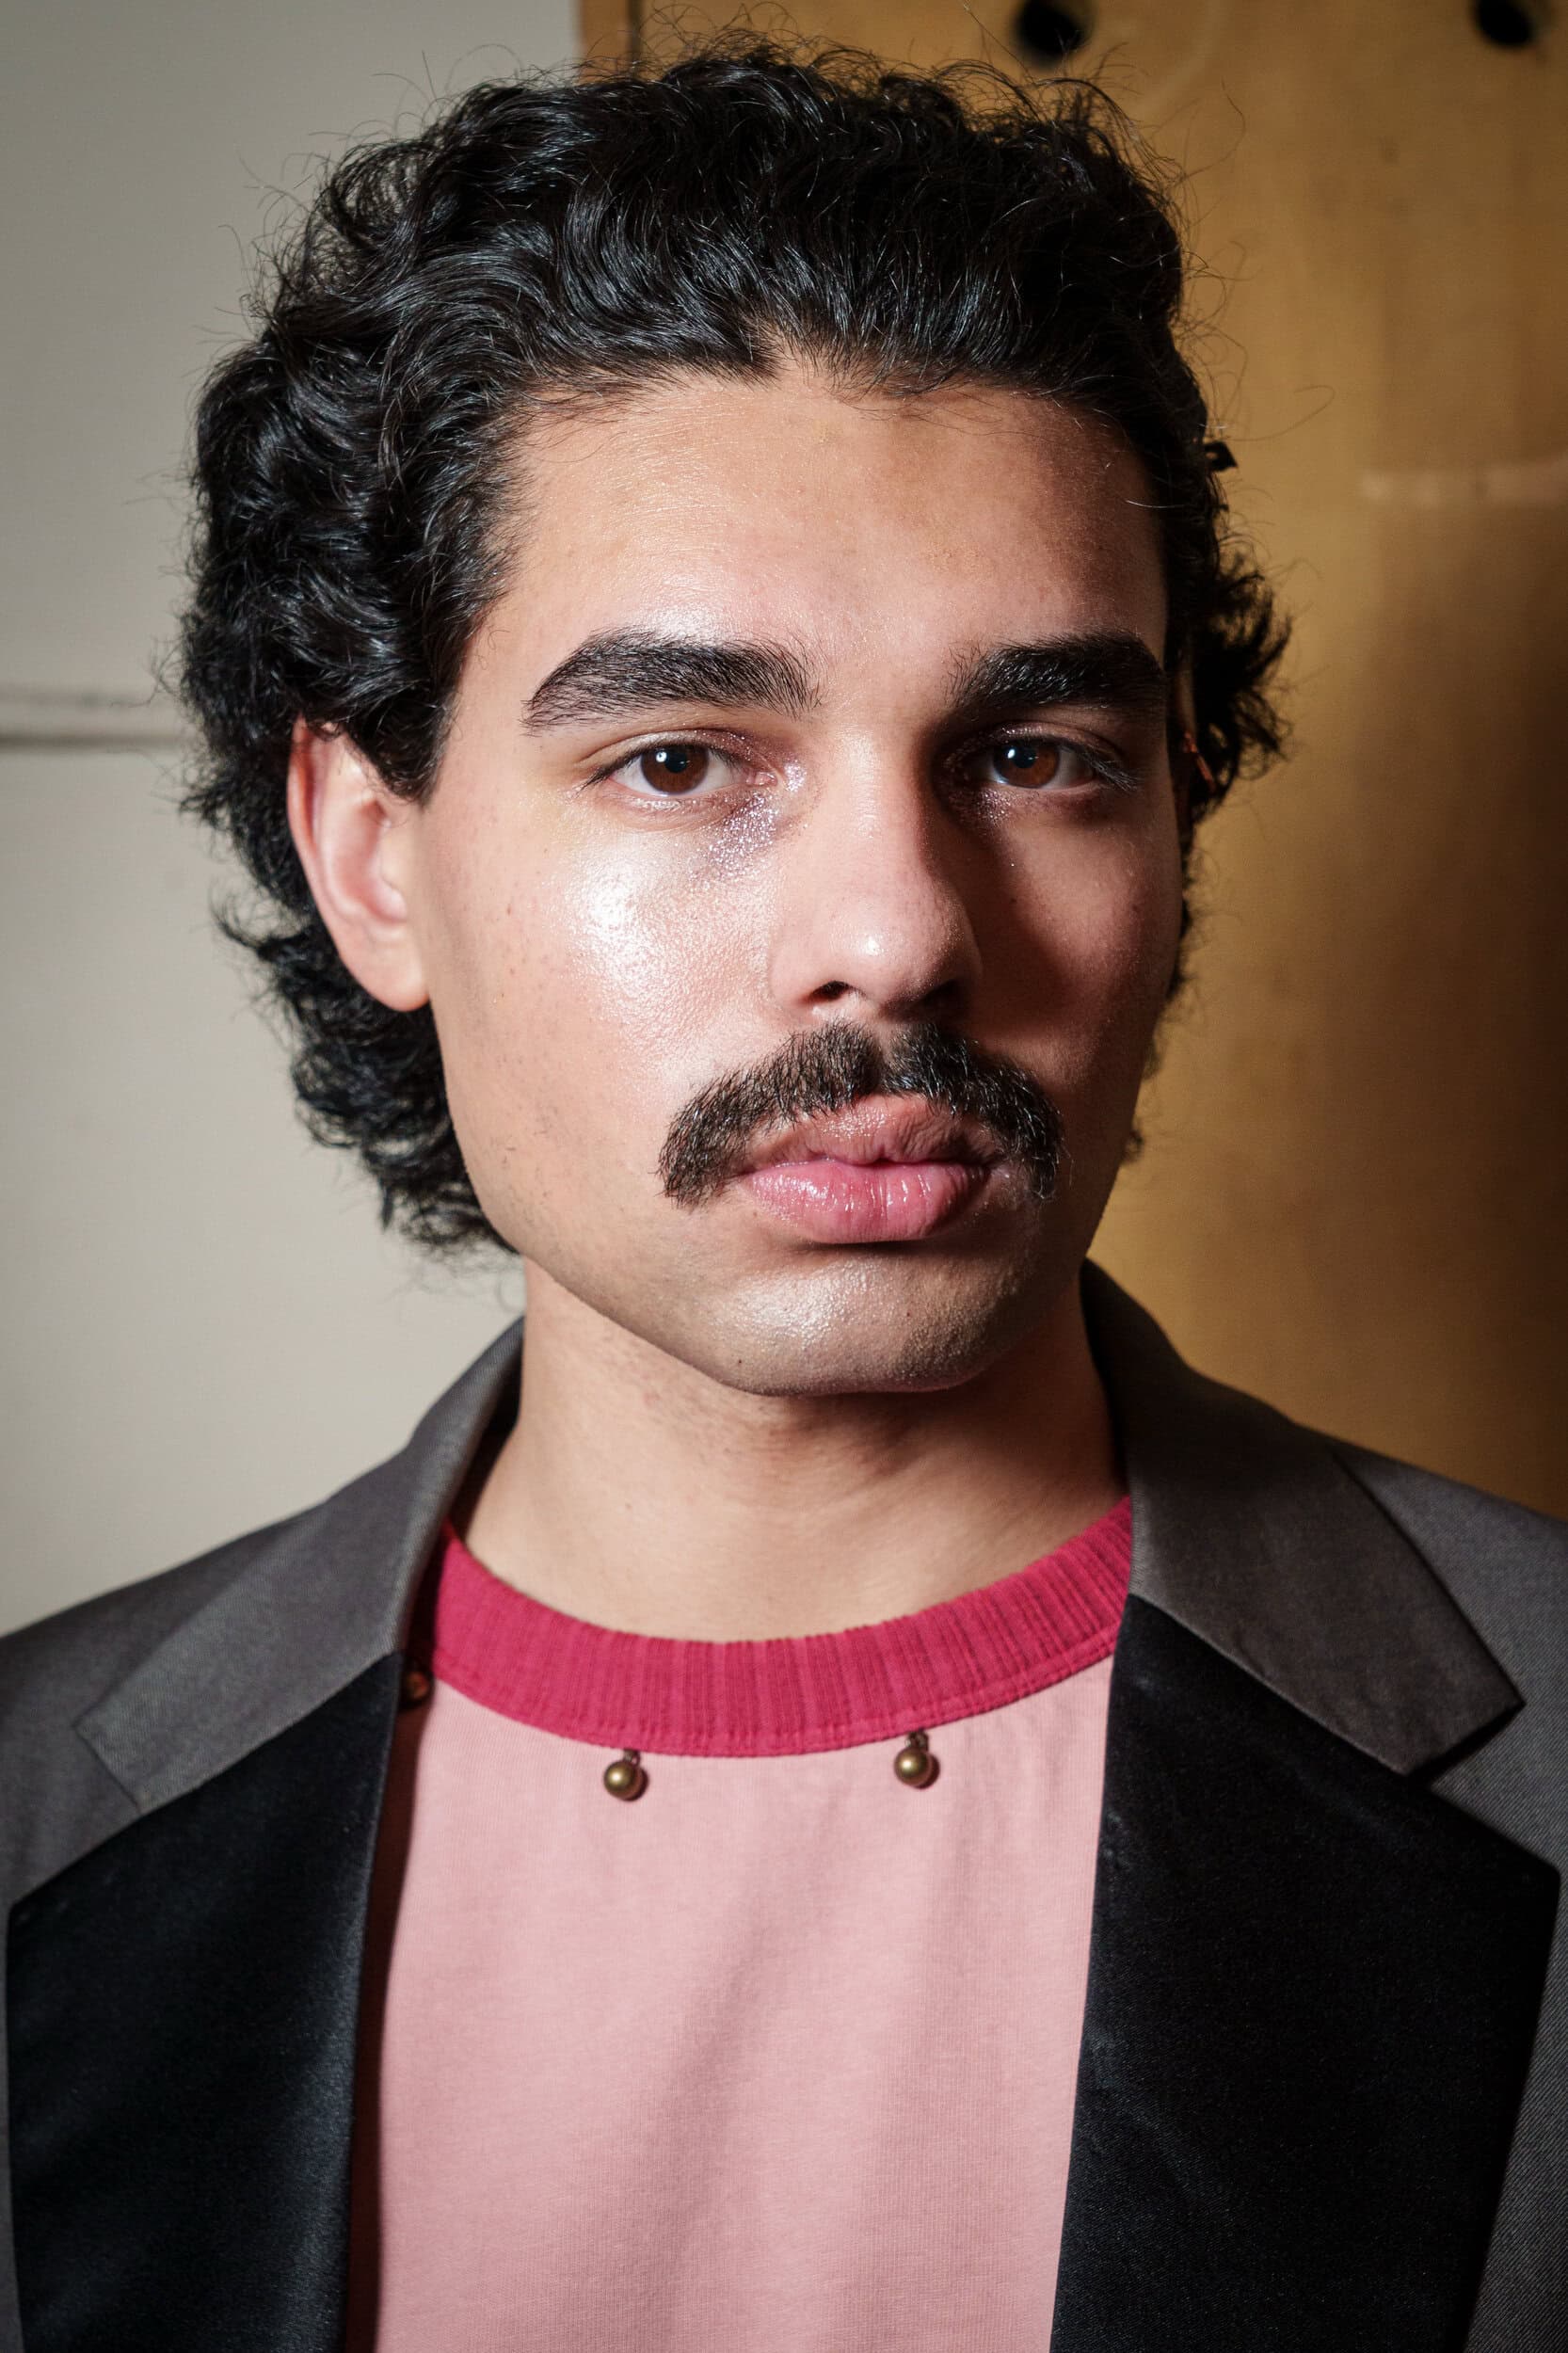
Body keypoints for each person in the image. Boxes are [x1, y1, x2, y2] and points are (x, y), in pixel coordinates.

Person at [1, 41, 1561, 2353]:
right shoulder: (36, 1815)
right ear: (373, 857)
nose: (901, 930)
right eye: (679, 758)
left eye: (1032, 756)